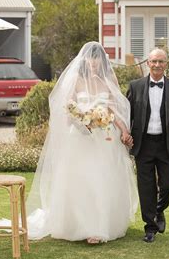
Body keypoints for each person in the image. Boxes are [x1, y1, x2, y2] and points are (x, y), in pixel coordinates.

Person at [22, 42, 138, 244]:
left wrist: (124, 130)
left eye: (97, 58)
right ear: (85, 59)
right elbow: (67, 110)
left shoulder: (109, 78)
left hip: (105, 138)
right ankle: (78, 224)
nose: (93, 62)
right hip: (79, 137)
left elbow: (113, 111)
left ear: (102, 60)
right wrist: (80, 123)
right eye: (91, 58)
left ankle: (99, 228)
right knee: (81, 180)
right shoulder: (76, 79)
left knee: (102, 180)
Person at [127, 48, 169, 243]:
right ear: (148, 63)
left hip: (166, 144)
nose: (157, 65)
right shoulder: (135, 86)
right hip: (143, 144)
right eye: (154, 61)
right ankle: (150, 227)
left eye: (161, 61)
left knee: (168, 185)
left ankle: (159, 210)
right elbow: (126, 114)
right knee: (146, 188)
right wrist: (124, 134)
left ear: (166, 64)